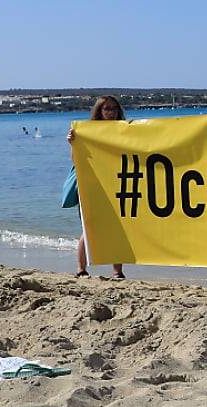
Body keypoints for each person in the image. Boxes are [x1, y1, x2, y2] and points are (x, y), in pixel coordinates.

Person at [66, 95, 125, 279]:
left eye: (114, 108)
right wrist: (73, 143)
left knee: (120, 227)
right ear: (99, 111)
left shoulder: (125, 130)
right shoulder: (87, 132)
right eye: (106, 109)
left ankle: (117, 271)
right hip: (92, 184)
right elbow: (76, 161)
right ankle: (81, 268)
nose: (111, 112)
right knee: (88, 227)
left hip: (116, 183)